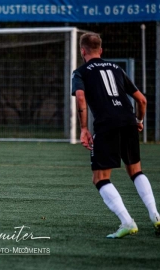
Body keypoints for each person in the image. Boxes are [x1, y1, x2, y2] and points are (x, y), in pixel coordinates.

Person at [72, 32, 160, 238]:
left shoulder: (80, 72)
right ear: (100, 50)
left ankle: (127, 222)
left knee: (100, 178)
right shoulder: (117, 68)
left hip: (106, 124)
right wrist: (138, 121)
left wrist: (84, 128)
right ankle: (156, 216)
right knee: (136, 171)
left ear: (82, 51)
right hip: (128, 120)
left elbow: (81, 98)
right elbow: (142, 100)